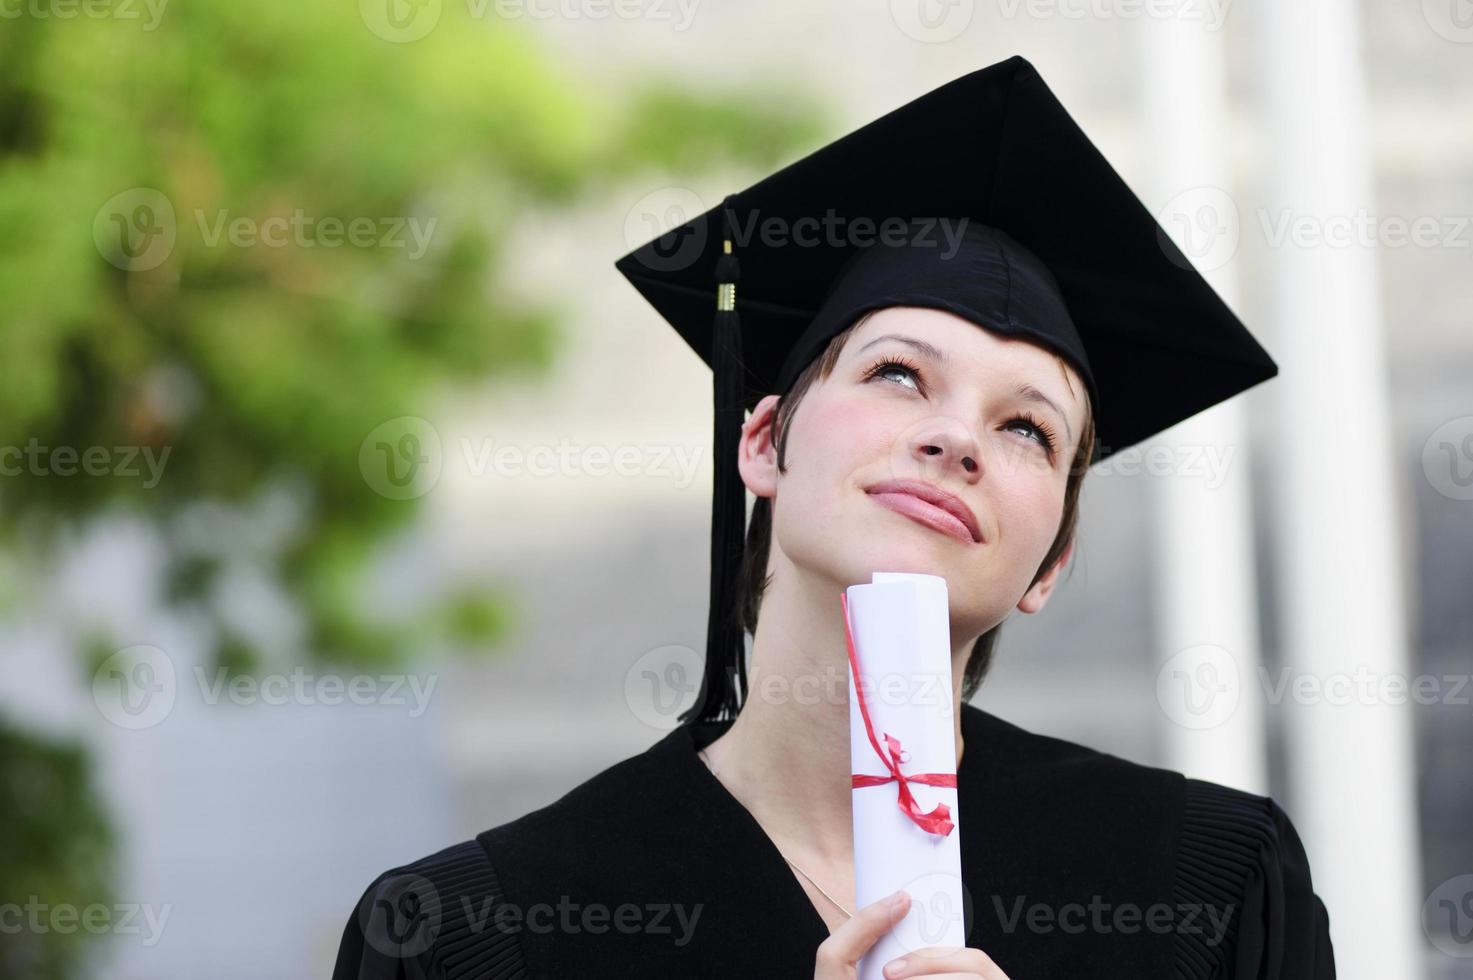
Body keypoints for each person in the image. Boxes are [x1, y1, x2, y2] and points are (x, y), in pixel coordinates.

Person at [332, 55, 1336, 979]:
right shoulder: (482, 932)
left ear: (1052, 562)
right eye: (898, 373)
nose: (957, 438)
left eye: (1028, 428)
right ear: (765, 440)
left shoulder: (1203, 892)